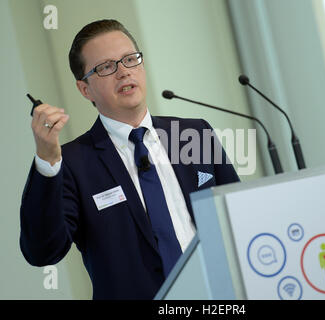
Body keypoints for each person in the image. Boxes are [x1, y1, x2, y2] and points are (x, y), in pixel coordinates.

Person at [20, 19, 240, 300]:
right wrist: (47, 160)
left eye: (130, 59)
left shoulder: (193, 134)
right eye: (106, 67)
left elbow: (235, 217)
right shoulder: (74, 163)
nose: (123, 72)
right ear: (85, 89)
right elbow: (42, 251)